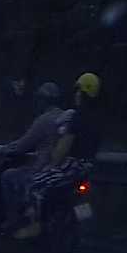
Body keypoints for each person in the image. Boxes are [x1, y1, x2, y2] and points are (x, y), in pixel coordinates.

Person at [14, 72, 103, 240]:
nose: (76, 94)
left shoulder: (77, 117)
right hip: (88, 168)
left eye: (78, 91)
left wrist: (51, 164)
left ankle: (35, 225)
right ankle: (79, 228)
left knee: (34, 185)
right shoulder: (98, 119)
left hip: (70, 167)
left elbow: (62, 149)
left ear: (83, 93)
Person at [0, 82, 63, 226]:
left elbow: (24, 144)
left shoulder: (44, 120)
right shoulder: (65, 117)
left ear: (43, 101)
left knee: (7, 176)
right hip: (63, 170)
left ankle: (13, 218)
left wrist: (6, 149)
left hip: (43, 170)